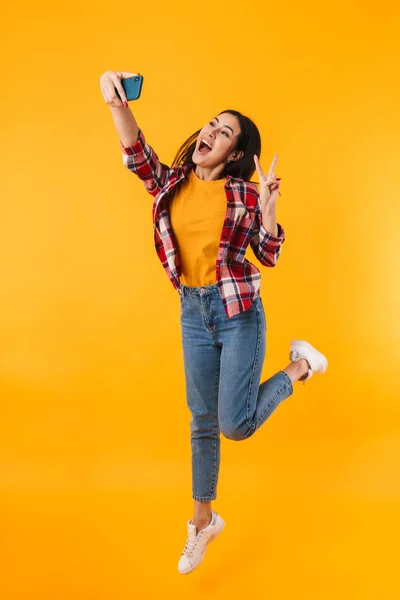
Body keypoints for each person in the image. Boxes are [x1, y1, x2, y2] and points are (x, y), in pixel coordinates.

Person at [100, 70, 328, 575]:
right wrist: (116, 101)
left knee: (234, 426)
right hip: (193, 312)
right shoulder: (174, 183)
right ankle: (203, 523)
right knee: (201, 422)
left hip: (238, 313)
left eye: (224, 132)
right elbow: (137, 154)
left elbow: (267, 255)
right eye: (211, 124)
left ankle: (299, 367)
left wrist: (269, 209)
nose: (210, 133)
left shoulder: (244, 194)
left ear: (235, 153)